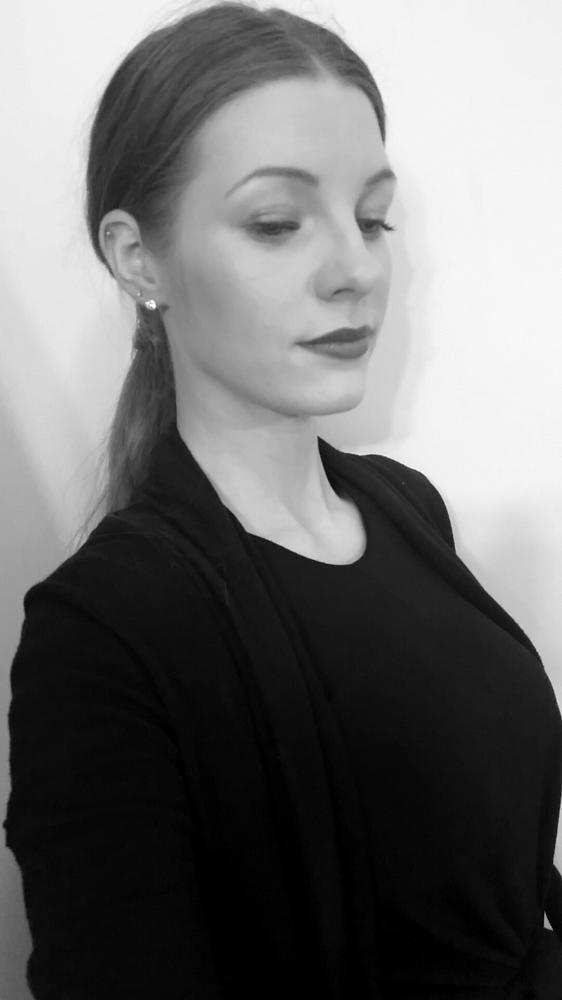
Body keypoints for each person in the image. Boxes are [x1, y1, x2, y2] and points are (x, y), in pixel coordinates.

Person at [4, 2, 562, 997]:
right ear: (137, 258)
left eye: (372, 218)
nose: (356, 270)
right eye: (275, 223)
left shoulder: (405, 509)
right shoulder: (103, 634)